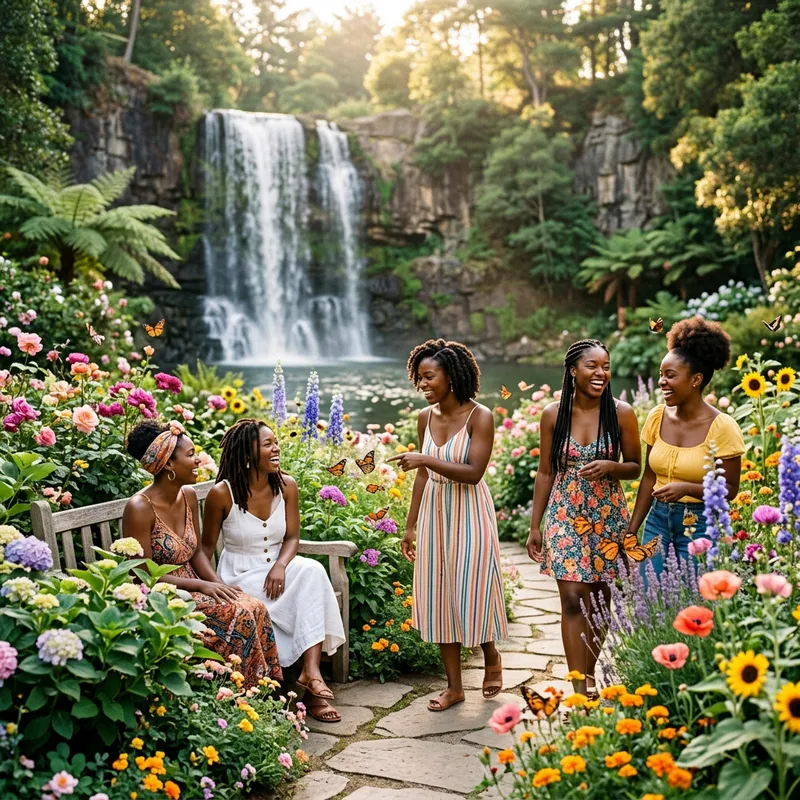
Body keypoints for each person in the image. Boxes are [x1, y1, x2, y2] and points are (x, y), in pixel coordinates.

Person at [388, 339, 508, 713]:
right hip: (435, 513)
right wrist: (410, 527)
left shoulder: (480, 417)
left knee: (472, 588)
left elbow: (473, 473)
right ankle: (454, 687)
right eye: (418, 378)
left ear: (452, 377)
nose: (422, 385)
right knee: (440, 595)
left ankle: (491, 655)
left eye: (429, 377)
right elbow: (423, 476)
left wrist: (425, 457)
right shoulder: (425, 418)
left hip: (470, 511)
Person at [202, 419, 346, 723]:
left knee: (311, 571)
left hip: (276, 570)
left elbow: (292, 537)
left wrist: (281, 565)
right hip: (240, 576)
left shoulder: (286, 485)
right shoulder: (222, 494)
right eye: (268, 444)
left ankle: (312, 675)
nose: (276, 448)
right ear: (247, 454)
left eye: (275, 442)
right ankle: (314, 689)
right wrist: (216, 586)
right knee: (309, 579)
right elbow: (204, 550)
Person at [122, 419, 282, 687]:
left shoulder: (187, 495)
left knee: (252, 604)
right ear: (169, 464)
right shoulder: (139, 507)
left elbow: (196, 553)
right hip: (163, 596)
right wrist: (202, 585)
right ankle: (240, 691)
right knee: (239, 614)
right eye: (191, 455)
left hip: (195, 585)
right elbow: (142, 573)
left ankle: (263, 689)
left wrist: (218, 585)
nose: (198, 460)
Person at [526, 340, 641, 698]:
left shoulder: (622, 413)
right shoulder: (553, 413)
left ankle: (590, 670)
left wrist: (612, 466)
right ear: (573, 370)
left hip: (607, 514)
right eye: (592, 366)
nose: (601, 373)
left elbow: (636, 468)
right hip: (565, 511)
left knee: (601, 600)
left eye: (605, 366)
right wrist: (535, 525)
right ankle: (580, 683)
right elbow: (545, 471)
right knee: (573, 597)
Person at [627, 318, 744, 575]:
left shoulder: (722, 427)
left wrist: (687, 488)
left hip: (701, 523)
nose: (661, 382)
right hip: (657, 520)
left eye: (670, 375)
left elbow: (731, 489)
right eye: (660, 375)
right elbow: (649, 477)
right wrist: (631, 530)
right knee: (652, 596)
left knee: (693, 601)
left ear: (696, 379)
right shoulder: (657, 417)